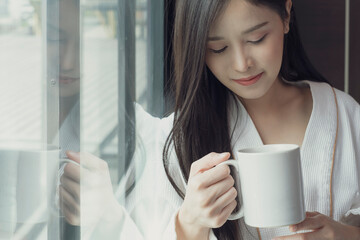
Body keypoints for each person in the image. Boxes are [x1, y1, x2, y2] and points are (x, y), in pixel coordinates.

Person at [155, 0, 360, 239]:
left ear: (285, 13)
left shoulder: (346, 115)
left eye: (257, 38)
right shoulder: (179, 138)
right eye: (218, 48)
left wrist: (347, 235)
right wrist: (190, 223)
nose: (242, 65)